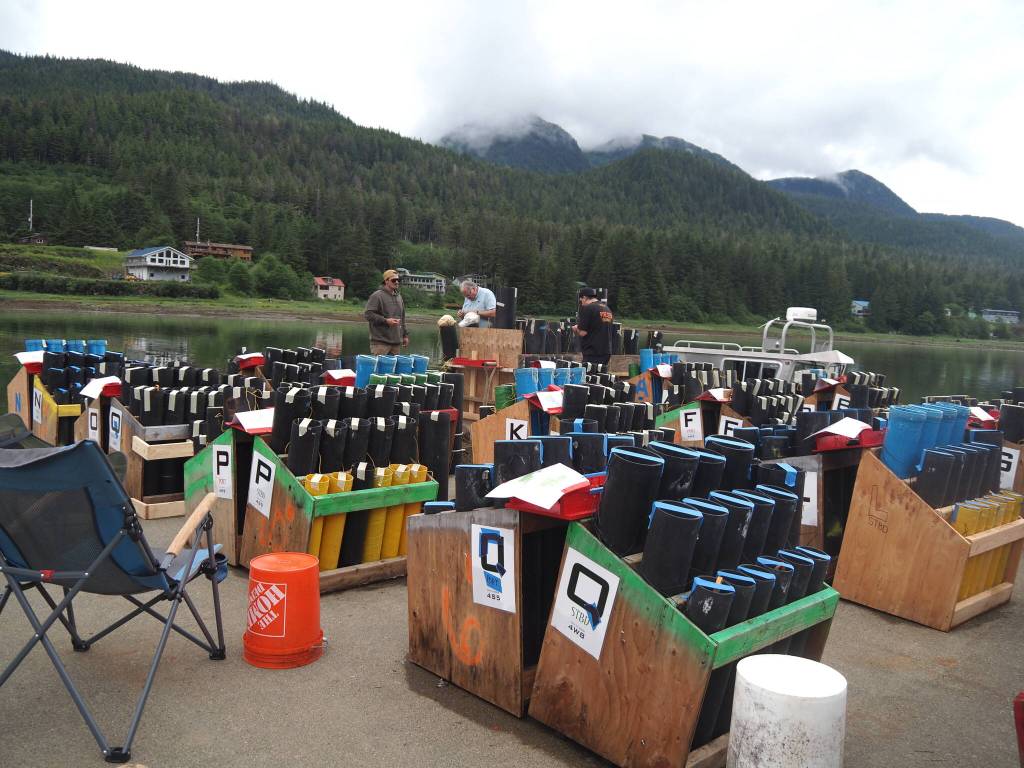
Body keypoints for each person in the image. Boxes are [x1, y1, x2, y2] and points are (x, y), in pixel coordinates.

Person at [364, 269, 408, 355]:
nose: (396, 282)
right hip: (380, 344)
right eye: (393, 280)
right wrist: (386, 321)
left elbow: (402, 318)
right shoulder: (377, 296)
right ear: (386, 281)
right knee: (380, 369)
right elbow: (368, 314)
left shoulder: (399, 297)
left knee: (393, 369)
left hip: (396, 343)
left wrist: (405, 335)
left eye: (398, 280)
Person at [573, 287, 614, 366]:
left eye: (580, 299)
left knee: (589, 377)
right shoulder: (607, 308)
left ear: (584, 297)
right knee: (601, 377)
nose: (581, 302)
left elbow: (582, 333)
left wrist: (575, 328)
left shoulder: (588, 308)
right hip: (606, 351)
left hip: (593, 352)